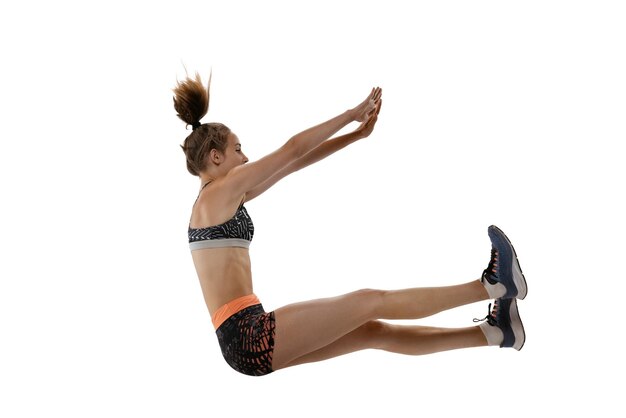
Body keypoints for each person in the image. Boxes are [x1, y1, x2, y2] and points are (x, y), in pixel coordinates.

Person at [173, 73, 528, 377]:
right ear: (215, 157)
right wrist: (350, 114)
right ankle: (491, 286)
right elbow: (292, 149)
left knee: (372, 331)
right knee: (370, 301)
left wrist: (356, 136)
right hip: (247, 335)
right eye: (238, 149)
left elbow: (294, 164)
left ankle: (496, 333)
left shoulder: (225, 200)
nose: (246, 157)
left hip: (244, 338)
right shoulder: (216, 195)